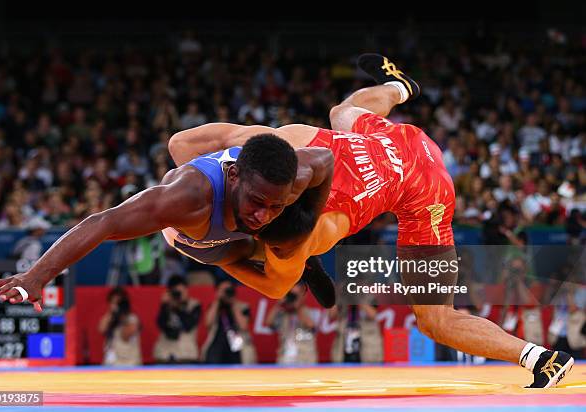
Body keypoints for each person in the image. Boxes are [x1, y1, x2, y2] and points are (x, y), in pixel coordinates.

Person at [167, 54, 574, 388]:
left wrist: (204, 247)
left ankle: (535, 356)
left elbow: (275, 285)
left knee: (436, 319)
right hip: (401, 143)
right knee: (342, 111)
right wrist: (197, 194)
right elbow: (181, 144)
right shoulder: (288, 138)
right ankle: (400, 87)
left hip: (426, 194)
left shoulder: (319, 226)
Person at [0, 134, 334, 309]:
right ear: (233, 175)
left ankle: (301, 251)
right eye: (258, 201)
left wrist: (304, 217)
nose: (263, 214)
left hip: (241, 195)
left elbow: (326, 159)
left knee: (290, 230)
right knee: (270, 282)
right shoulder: (185, 200)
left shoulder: (294, 175)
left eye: (274, 204)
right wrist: (37, 276)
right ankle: (300, 259)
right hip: (197, 238)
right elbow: (104, 223)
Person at [201, 278, 256, 364]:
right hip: (216, 349)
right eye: (223, 290)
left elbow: (243, 326)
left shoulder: (243, 306)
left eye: (228, 290)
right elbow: (208, 323)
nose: (226, 292)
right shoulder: (215, 306)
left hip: (237, 350)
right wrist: (217, 300)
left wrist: (233, 303)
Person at [264, 282, 318, 364]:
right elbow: (268, 323)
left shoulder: (309, 312)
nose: (292, 298)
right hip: (285, 359)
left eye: (296, 295)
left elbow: (311, 326)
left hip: (305, 358)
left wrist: (298, 306)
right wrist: (279, 303)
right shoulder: (283, 314)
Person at [154, 275, 201, 364]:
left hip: (186, 355)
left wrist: (178, 307)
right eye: (176, 292)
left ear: (186, 290)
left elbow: (188, 325)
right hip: (165, 354)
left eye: (181, 292)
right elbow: (161, 325)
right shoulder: (168, 305)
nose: (178, 295)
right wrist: (164, 306)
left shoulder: (194, 305)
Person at [98, 287, 142, 366]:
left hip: (129, 365)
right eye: (112, 302)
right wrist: (111, 315)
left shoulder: (132, 319)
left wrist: (121, 318)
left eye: (118, 303)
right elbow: (101, 329)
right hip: (111, 365)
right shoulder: (109, 317)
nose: (115, 306)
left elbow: (125, 335)